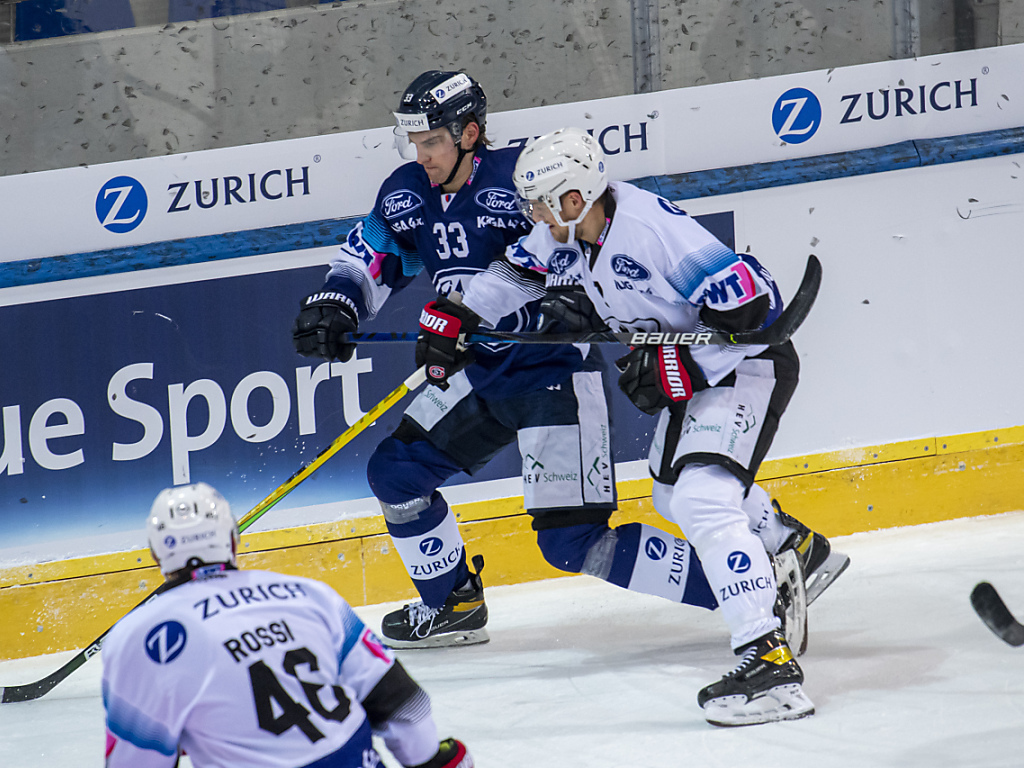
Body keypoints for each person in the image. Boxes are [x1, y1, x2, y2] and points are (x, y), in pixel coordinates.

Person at [290, 70, 836, 653]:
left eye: (431, 142)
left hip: (552, 379)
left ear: (469, 133)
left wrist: (562, 310)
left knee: (575, 539)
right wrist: (340, 303)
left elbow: (586, 275)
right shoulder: (406, 192)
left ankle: (751, 587)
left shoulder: (535, 183)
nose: (419, 155)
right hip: (479, 373)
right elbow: (377, 259)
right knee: (396, 474)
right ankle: (451, 602)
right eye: (414, 143)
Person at [509, 126, 850, 727]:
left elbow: (750, 309)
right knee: (668, 493)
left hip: (746, 365)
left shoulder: (653, 232)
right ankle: (793, 546)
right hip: (704, 373)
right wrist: (458, 315)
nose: (532, 213)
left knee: (701, 499)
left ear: (574, 197)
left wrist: (684, 364)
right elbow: (518, 274)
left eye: (541, 201)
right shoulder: (569, 231)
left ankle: (768, 664)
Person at [101, 482, 472, 768]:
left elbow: (136, 760)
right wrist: (430, 761)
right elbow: (400, 701)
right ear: (233, 539)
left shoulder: (140, 637)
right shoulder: (307, 594)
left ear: (155, 554)